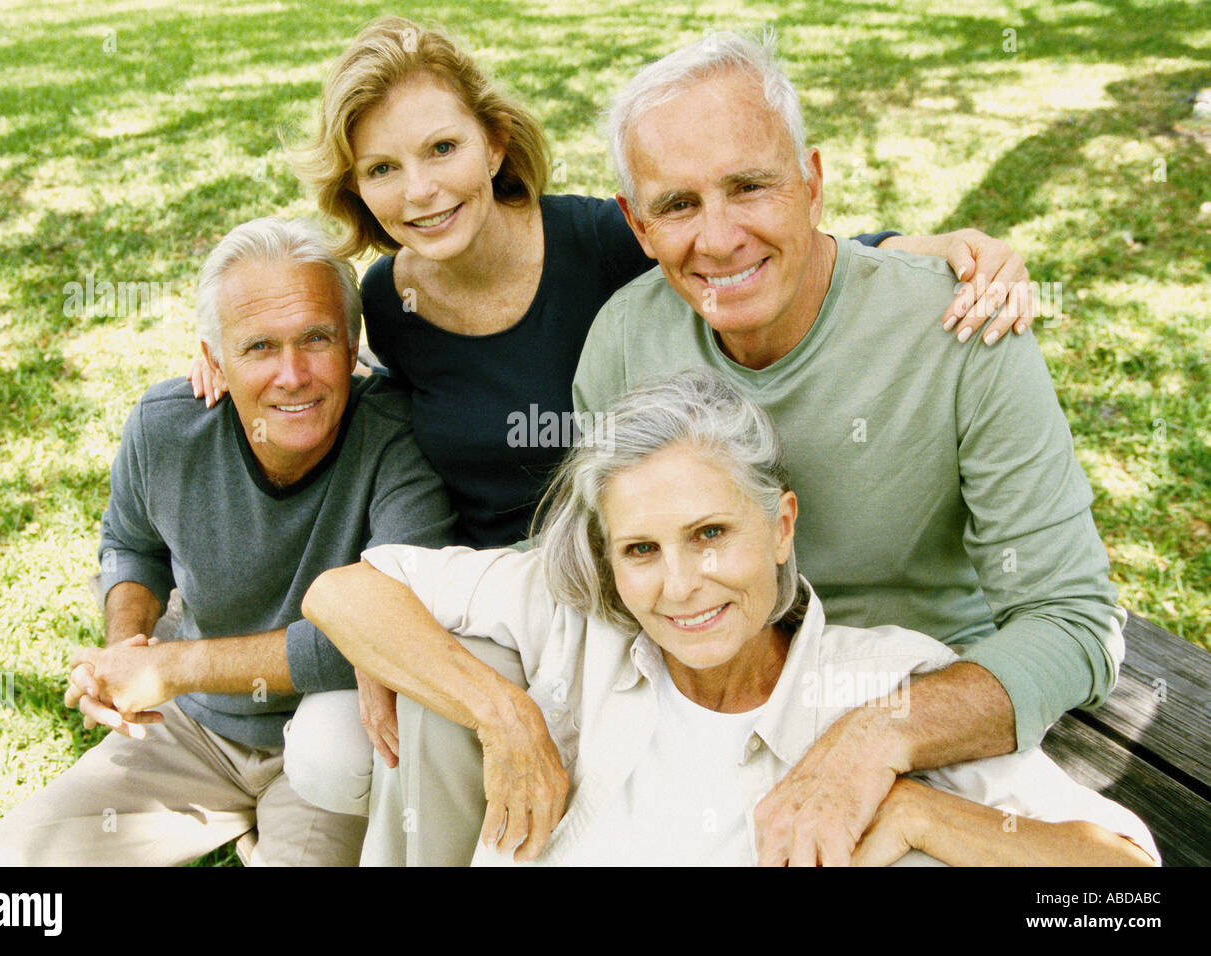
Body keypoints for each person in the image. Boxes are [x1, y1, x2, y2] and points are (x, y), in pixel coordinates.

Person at [568, 32, 1127, 865]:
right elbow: (600, 572)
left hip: (928, 706)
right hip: (710, 701)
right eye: (679, 205)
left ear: (813, 183)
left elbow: (1073, 621)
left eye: (750, 186)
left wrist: (875, 736)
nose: (718, 239)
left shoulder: (962, 328)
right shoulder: (624, 337)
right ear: (636, 225)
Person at [192, 15, 1033, 551]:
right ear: (358, 189)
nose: (420, 190)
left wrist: (922, 246)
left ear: (492, 143)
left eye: (441, 149)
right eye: (382, 167)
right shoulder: (387, 302)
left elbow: (740, 251)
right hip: (482, 582)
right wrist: (226, 365)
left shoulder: (601, 240)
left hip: (631, 567)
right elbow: (340, 381)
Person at [300, 371, 1157, 867]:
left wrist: (918, 814)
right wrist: (504, 713)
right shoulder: (579, 621)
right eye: (641, 550)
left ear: (781, 527)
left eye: (711, 534)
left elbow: (1121, 884)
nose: (679, 587)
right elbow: (342, 591)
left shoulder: (879, 681)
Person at [0, 217, 454, 866]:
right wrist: (126, 652)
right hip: (189, 728)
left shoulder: (397, 438)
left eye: (316, 338)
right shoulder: (167, 427)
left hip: (328, 738)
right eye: (257, 347)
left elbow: (390, 628)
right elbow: (132, 544)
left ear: (352, 341)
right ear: (213, 358)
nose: (293, 374)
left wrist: (170, 667)